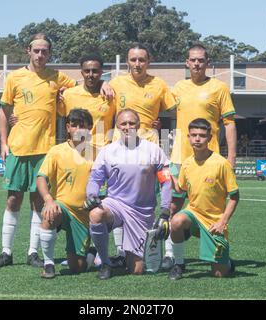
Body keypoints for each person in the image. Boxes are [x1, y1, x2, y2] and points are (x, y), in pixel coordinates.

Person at [0, 33, 106, 268]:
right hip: (18, 147)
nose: (40, 55)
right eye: (37, 50)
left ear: (49, 54)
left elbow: (86, 84)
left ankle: (33, 253)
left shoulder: (57, 77)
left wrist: (106, 83)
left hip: (45, 148)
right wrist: (3, 142)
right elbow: (4, 110)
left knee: (38, 203)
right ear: (28, 51)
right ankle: (6, 252)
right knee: (12, 199)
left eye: (45, 51)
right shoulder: (14, 78)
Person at [163, 43, 237, 270]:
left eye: (201, 60)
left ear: (208, 63)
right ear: (186, 63)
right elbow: (159, 106)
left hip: (209, 159)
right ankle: (174, 258)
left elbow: (230, 123)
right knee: (173, 208)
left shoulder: (219, 87)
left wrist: (231, 158)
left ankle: (216, 247)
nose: (196, 63)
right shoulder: (178, 88)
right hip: (180, 158)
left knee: (210, 208)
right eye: (192, 60)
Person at [108, 43, 177, 264]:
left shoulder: (159, 84)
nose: (137, 64)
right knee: (117, 199)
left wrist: (161, 125)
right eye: (133, 59)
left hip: (151, 150)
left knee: (159, 199)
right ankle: (121, 252)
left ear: (148, 62)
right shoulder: (115, 83)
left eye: (142, 60)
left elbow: (173, 110)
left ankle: (166, 253)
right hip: (122, 151)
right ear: (127, 61)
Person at [84, 109, 172, 280]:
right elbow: (95, 179)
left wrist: (165, 211)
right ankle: (104, 262)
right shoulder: (107, 151)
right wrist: (92, 195)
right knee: (96, 213)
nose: (127, 127)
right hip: (115, 204)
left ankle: (120, 258)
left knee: (137, 270)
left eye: (131, 123)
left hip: (141, 211)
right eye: (123, 123)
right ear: (117, 126)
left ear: (138, 125)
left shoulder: (154, 150)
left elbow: (166, 181)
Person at [169, 118, 239, 280]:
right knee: (177, 221)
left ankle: (227, 262)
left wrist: (223, 222)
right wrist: (168, 179)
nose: (197, 139)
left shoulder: (221, 164)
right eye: (194, 135)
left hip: (215, 223)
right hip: (193, 215)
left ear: (210, 138)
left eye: (202, 135)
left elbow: (235, 197)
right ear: (188, 137)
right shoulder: (186, 164)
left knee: (219, 274)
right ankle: (179, 264)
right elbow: (181, 189)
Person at [36, 109, 97, 278]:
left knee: (77, 267)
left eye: (83, 126)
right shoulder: (57, 151)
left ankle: (91, 252)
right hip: (61, 207)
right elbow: (41, 178)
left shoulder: (98, 153)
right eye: (74, 125)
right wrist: (48, 200)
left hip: (83, 215)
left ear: (90, 128)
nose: (78, 129)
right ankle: (48, 264)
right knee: (49, 213)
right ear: (68, 128)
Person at [58, 54, 116, 150]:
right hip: (76, 151)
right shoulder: (68, 94)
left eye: (95, 71)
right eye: (87, 71)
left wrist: (103, 83)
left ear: (101, 72)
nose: (90, 75)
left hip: (101, 152)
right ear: (82, 73)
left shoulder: (111, 96)